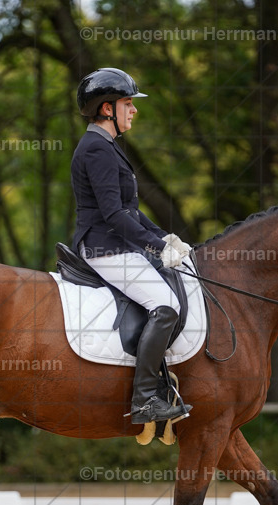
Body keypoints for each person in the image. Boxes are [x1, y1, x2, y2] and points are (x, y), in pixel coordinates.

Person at [70, 67, 192, 425]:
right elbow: (113, 215)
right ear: (107, 109)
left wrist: (164, 237)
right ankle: (144, 401)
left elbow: (131, 212)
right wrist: (155, 248)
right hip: (104, 248)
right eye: (128, 103)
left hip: (116, 245)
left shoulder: (106, 146)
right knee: (166, 306)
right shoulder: (97, 148)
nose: (134, 109)